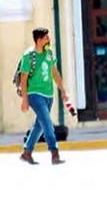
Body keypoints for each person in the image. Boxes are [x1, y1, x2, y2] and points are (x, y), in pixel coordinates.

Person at [19, 27, 67, 165]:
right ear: (39, 40)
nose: (49, 40)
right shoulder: (29, 56)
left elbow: (54, 72)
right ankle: (54, 153)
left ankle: (27, 152)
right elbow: (23, 77)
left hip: (48, 95)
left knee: (39, 125)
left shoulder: (49, 54)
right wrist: (24, 99)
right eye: (46, 38)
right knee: (47, 123)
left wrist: (63, 90)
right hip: (34, 94)